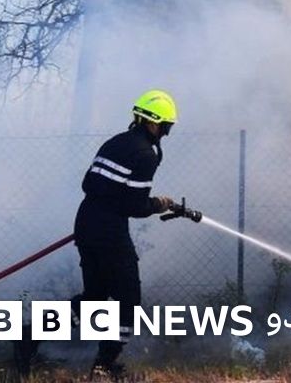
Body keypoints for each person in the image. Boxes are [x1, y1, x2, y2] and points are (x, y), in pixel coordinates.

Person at [15, 90, 179, 380]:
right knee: (129, 300)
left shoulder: (115, 142)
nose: (166, 131)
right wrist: (158, 204)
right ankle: (104, 365)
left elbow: (88, 184)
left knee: (94, 298)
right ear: (155, 123)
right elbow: (135, 206)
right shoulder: (146, 155)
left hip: (87, 224)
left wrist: (116, 202)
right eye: (166, 125)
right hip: (109, 233)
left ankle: (30, 335)